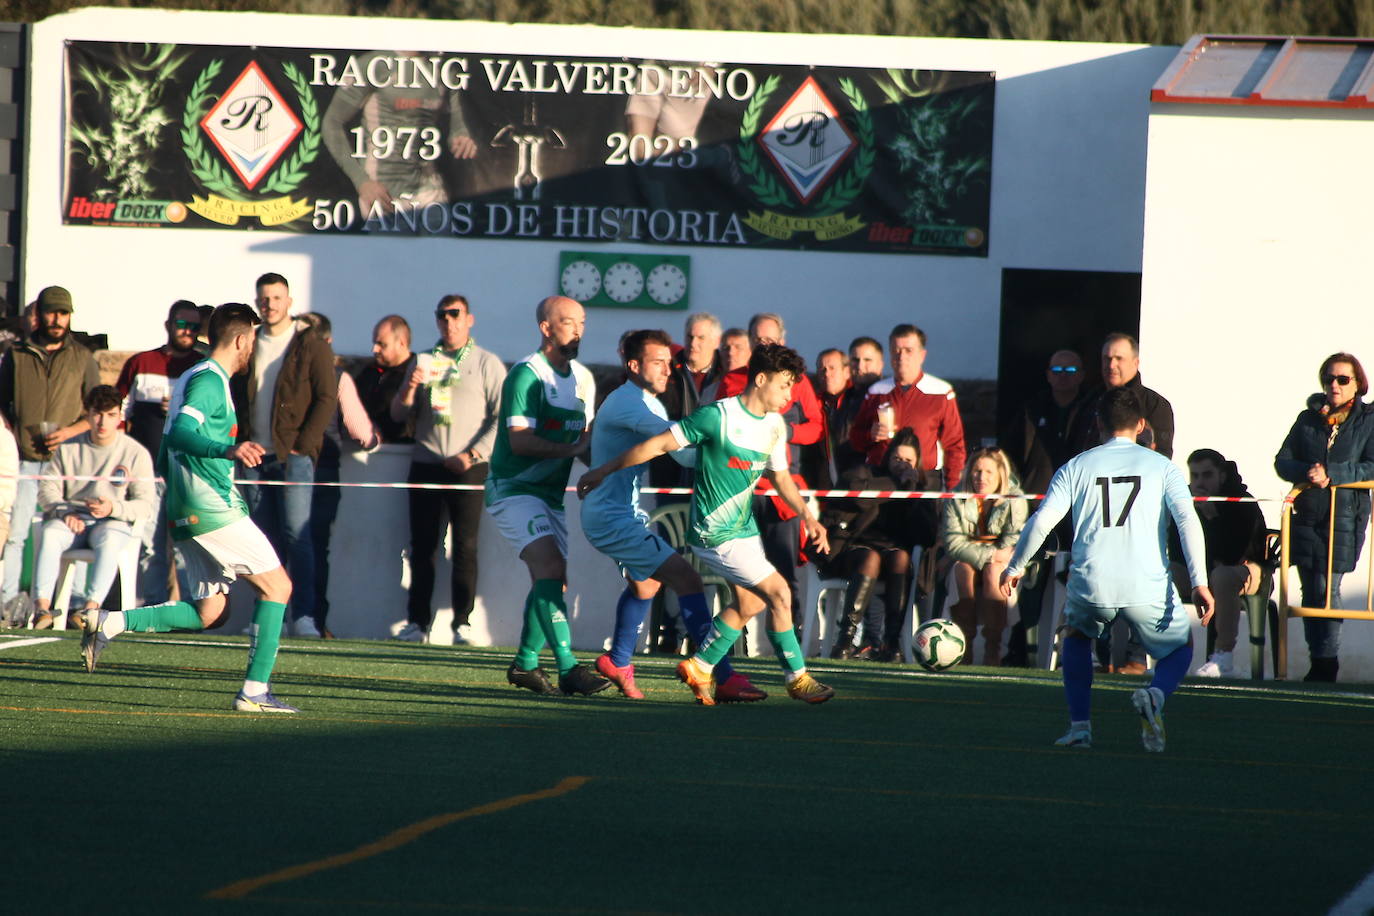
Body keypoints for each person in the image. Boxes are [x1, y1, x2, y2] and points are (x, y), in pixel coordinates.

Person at [578, 343, 835, 705]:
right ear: (760, 379)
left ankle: (702, 666)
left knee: (750, 603)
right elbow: (657, 445)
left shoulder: (776, 426)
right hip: (713, 533)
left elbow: (781, 479)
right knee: (779, 593)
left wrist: (809, 516)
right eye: (783, 385)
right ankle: (798, 678)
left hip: (744, 530)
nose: (789, 395)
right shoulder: (717, 416)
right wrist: (602, 469)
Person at [81, 303, 300, 714]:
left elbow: (167, 448)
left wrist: (179, 494)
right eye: (253, 337)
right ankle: (254, 691)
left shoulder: (189, 378)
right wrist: (228, 449)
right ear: (241, 340)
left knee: (210, 610)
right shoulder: (210, 381)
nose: (254, 345)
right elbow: (183, 432)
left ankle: (110, 622)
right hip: (210, 506)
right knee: (279, 587)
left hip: (188, 505)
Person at [1001, 388, 1214, 753]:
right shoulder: (1162, 467)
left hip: (1092, 581)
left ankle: (1080, 728)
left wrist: (1016, 565)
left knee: (1077, 639)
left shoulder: (1077, 466)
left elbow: (1041, 521)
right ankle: (1156, 696)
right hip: (1146, 582)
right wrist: (1200, 582)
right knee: (1179, 648)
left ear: (1098, 423)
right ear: (1142, 425)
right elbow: (1187, 521)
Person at [582, 329, 764, 701]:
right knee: (689, 580)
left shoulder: (647, 402)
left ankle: (618, 661)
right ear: (633, 366)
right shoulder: (632, 404)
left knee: (647, 584)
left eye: (669, 362)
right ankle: (722, 675)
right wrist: (736, 454)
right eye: (658, 362)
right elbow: (683, 453)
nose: (668, 369)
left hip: (619, 513)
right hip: (610, 517)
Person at [486, 295, 609, 697]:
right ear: (546, 327)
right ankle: (570, 669)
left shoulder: (584, 380)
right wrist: (573, 450)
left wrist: (612, 465)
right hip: (513, 490)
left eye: (582, 322)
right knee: (551, 568)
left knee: (552, 581)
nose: (579, 330)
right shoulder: (526, 375)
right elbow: (519, 442)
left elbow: (585, 441)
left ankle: (524, 665)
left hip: (550, 497)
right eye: (569, 322)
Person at [391, 295, 505, 645]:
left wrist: (472, 455)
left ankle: (462, 623)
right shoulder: (425, 360)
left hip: (468, 468)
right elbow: (398, 415)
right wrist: (411, 385)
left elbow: (502, 419)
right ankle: (417, 623)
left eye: (455, 315)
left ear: (469, 319)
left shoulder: (487, 363)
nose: (448, 321)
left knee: (466, 547)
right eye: (442, 316)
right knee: (422, 548)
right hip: (427, 462)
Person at [231, 273, 337, 638]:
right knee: (262, 541)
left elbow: (327, 397)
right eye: (264, 298)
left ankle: (304, 616)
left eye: (277, 298)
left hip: (294, 457)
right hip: (254, 457)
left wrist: (302, 446)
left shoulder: (310, 343)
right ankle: (265, 618)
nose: (270, 304)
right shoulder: (249, 341)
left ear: (289, 301)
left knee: (298, 537)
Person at [714, 314, 824, 636]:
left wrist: (784, 431)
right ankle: (739, 643)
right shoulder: (733, 380)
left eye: (771, 340)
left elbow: (816, 428)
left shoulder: (797, 383)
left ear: (783, 341)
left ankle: (795, 639)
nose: (765, 345)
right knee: (742, 581)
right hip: (740, 494)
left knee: (784, 575)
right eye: (759, 340)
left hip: (778, 494)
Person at [0, 286, 101, 616]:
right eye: (51, 312)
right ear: (39, 314)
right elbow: (2, 404)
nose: (57, 319)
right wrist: (12, 433)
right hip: (25, 461)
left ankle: (75, 606)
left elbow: (97, 409)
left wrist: (69, 432)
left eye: (64, 313)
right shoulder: (16, 355)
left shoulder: (82, 357)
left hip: (68, 463)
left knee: (77, 530)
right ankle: (8, 602)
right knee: (16, 535)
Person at [1274, 353, 1374, 682]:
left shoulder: (1368, 420)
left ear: (1358, 384)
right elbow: (1282, 460)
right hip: (1307, 516)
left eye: (1343, 379)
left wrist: (1333, 473)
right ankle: (1320, 658)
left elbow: (1370, 466)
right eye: (1329, 378)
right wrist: (1308, 472)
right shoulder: (1308, 419)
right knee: (1310, 592)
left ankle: (1326, 661)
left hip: (1345, 517)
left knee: (1328, 590)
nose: (1334, 385)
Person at [32, 386, 156, 629]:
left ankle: (90, 610)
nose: (102, 422)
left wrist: (113, 507)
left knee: (110, 538)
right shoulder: (68, 448)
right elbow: (47, 488)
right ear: (87, 415)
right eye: (97, 414)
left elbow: (145, 506)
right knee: (49, 533)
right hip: (72, 518)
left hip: (112, 523)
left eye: (110, 415)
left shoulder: (135, 453)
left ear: (120, 416)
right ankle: (42, 610)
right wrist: (64, 511)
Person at [114, 299, 204, 604]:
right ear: (168, 325)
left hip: (186, 469)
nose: (187, 331)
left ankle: (192, 612)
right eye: (182, 324)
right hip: (148, 469)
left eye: (194, 326)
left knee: (186, 543)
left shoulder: (201, 366)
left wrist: (179, 410)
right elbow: (119, 413)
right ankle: (154, 607)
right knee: (151, 545)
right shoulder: (142, 363)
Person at [320, 49, 477, 216]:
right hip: (383, 191)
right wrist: (362, 182)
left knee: (442, 240)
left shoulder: (445, 69)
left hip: (428, 188)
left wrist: (461, 138)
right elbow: (332, 123)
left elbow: (458, 125)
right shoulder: (373, 64)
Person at [299, 313, 379, 639]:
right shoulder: (337, 376)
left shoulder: (281, 373)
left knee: (283, 545)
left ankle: (275, 618)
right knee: (316, 547)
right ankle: (313, 620)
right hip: (321, 470)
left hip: (289, 469)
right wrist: (375, 440)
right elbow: (362, 433)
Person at [818, 428, 928, 660]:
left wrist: (914, 492)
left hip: (893, 553)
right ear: (887, 457)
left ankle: (892, 642)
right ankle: (845, 641)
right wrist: (896, 483)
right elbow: (859, 497)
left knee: (900, 557)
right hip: (852, 548)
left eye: (908, 460)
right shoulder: (865, 474)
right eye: (897, 458)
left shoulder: (920, 485)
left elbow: (926, 533)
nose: (901, 464)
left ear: (917, 463)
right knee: (871, 558)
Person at [1169, 449, 1267, 678]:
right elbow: (1176, 551)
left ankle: (1224, 657)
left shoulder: (1241, 500)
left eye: (1207, 475)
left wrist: (1213, 518)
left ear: (1221, 475)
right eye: (1195, 476)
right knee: (1165, 572)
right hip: (1202, 573)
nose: (1200, 482)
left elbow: (1237, 553)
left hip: (1247, 571)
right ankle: (1167, 652)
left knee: (1222, 576)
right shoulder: (1186, 500)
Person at [942, 447, 1027, 666]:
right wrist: (991, 554)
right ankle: (965, 646)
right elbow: (953, 544)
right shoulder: (957, 496)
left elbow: (1012, 544)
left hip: (1004, 563)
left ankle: (993, 649)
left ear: (1001, 473)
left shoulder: (1015, 498)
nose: (982, 477)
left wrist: (994, 558)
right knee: (962, 569)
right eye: (977, 471)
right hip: (967, 558)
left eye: (988, 472)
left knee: (993, 572)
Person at [1067, 333, 1174, 459]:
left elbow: (1161, 458)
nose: (1111, 365)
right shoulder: (1088, 401)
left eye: (1119, 358)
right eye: (1107, 358)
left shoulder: (1154, 405)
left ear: (1136, 363)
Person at [809, 346, 867, 489]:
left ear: (847, 372)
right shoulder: (811, 406)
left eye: (832, 368)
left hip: (857, 481)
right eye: (822, 369)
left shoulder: (861, 401)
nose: (827, 373)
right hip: (822, 484)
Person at [355, 315, 415, 444]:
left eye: (382, 344)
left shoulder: (416, 375)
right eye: (374, 343)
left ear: (401, 343)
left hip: (400, 451)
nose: (374, 349)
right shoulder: (368, 372)